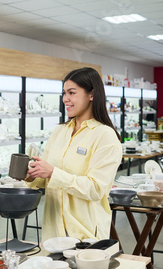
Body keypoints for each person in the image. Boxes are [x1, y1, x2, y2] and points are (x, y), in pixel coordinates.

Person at [25, 67, 122, 242]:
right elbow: (45, 178)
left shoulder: (105, 135)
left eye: (72, 93)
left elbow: (96, 189)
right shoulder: (59, 131)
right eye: (64, 93)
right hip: (53, 230)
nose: (65, 99)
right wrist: (30, 175)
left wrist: (53, 173)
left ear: (91, 95)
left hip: (84, 232)